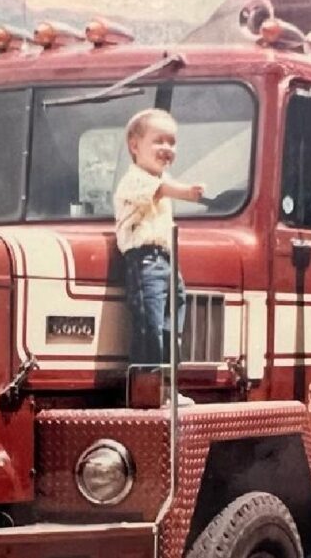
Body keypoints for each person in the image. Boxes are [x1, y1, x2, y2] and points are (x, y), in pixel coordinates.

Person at [115, 108, 204, 405]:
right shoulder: (135, 179)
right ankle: (147, 393)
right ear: (134, 145)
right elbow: (161, 189)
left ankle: (167, 388)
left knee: (171, 321)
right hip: (145, 261)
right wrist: (189, 192)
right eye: (158, 141)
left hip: (165, 261)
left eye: (172, 142)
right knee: (149, 328)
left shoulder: (159, 178)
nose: (167, 148)